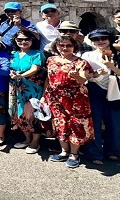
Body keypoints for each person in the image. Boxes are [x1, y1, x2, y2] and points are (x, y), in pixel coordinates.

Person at [82, 29, 120, 164]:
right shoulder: (87, 55)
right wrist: (93, 75)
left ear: (110, 40)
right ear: (92, 42)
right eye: (96, 39)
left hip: (115, 91)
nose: (100, 41)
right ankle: (95, 153)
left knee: (113, 122)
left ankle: (112, 151)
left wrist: (112, 67)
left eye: (103, 38)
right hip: (94, 90)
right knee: (94, 123)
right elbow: (84, 75)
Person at [44, 36, 95, 169]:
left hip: (76, 99)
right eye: (61, 45)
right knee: (60, 124)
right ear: (56, 46)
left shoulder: (80, 63)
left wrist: (76, 76)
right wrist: (44, 95)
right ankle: (64, 151)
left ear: (74, 47)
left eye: (68, 45)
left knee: (76, 125)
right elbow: (48, 79)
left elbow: (83, 80)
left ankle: (74, 154)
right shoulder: (51, 60)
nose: (65, 48)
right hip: (55, 98)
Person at [8, 28, 46, 154]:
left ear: (31, 40)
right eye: (19, 39)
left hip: (33, 89)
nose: (23, 42)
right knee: (19, 114)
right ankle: (27, 139)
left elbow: (35, 68)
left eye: (26, 39)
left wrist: (20, 75)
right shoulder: (13, 53)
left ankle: (35, 142)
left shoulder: (37, 53)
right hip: (16, 89)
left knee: (33, 115)